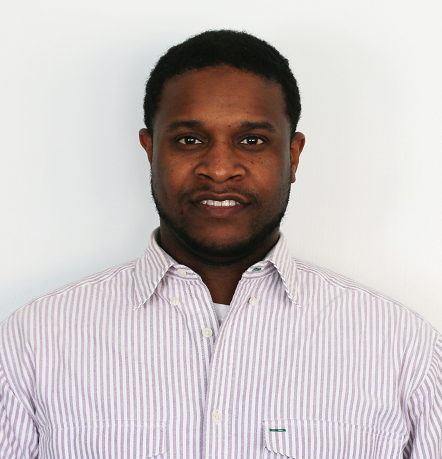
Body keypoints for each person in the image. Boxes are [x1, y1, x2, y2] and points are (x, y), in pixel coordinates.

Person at [0, 30, 441, 459]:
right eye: (189, 140)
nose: (219, 168)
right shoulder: (34, 341)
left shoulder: (404, 349)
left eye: (252, 140)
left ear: (293, 155)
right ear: (150, 149)